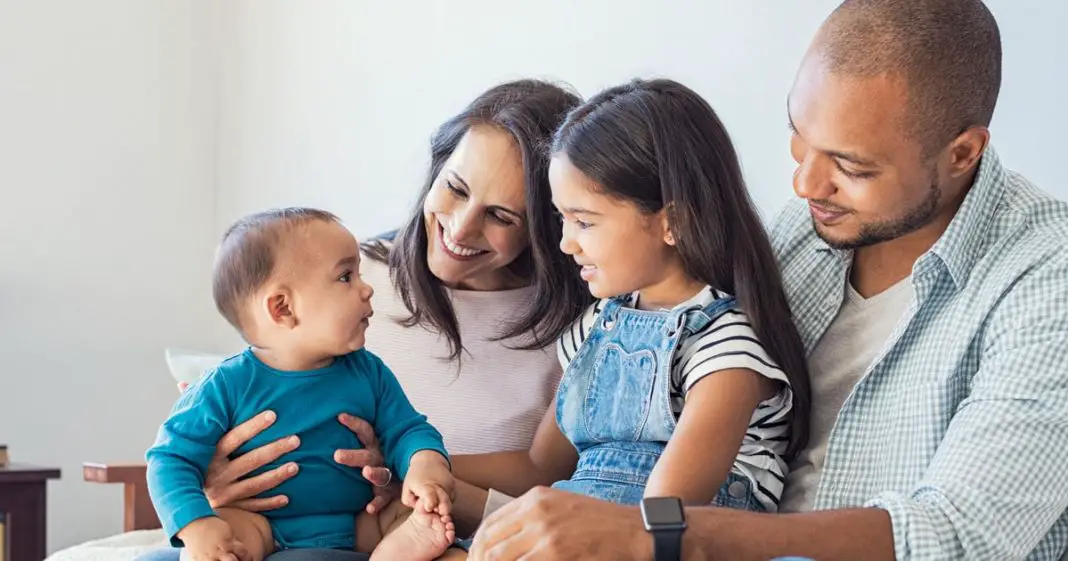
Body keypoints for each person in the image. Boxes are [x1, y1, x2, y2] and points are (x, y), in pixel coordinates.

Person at [465, 1, 1068, 560]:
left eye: (851, 167)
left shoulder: (1045, 277)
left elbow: (957, 535)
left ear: (962, 153)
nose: (806, 185)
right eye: (799, 141)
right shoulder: (808, 230)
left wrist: (658, 532)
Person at [136, 80, 591, 561]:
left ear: (547, 223)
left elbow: (540, 480)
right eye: (455, 188)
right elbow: (180, 455)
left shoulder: (585, 327)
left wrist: (412, 471)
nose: (460, 228)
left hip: (401, 523)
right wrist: (207, 490)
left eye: (501, 216)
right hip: (259, 523)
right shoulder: (337, 274)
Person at [427, 77, 814, 558]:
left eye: (585, 222)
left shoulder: (724, 346)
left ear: (675, 222)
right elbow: (538, 467)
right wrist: (426, 464)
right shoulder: (596, 328)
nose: (566, 243)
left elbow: (662, 516)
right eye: (561, 218)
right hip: (578, 529)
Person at [147, 208, 458, 561]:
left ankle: (397, 549)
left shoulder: (369, 372)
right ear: (282, 308)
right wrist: (196, 525)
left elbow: (408, 429)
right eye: (346, 276)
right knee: (221, 537)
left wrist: (425, 464)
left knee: (411, 517)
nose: (366, 288)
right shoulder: (225, 385)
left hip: (360, 522)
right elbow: (169, 459)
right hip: (261, 524)